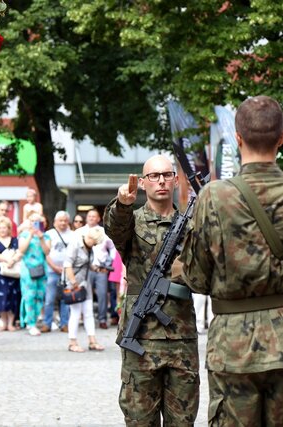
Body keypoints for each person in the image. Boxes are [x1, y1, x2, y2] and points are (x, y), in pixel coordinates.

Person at [180, 95, 283, 426]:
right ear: (282, 137)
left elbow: (196, 278)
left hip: (232, 345)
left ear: (238, 138)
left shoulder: (213, 196)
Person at [104, 154, 199, 425]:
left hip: (181, 338)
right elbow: (114, 227)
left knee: (182, 420)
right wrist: (122, 203)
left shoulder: (191, 224)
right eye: (154, 176)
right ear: (143, 183)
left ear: (175, 181)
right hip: (141, 339)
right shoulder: (131, 221)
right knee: (139, 420)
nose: (161, 181)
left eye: (167, 175)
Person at [64, 226, 106, 352]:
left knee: (88, 312)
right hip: (74, 283)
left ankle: (92, 341)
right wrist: (73, 282)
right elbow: (67, 265)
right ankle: (72, 342)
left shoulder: (90, 248)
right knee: (75, 314)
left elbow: (86, 264)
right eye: (89, 237)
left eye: (93, 240)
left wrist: (98, 269)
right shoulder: (75, 244)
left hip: (85, 283)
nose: (90, 240)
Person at [81, 209, 117, 329]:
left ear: (98, 218)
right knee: (85, 295)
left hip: (101, 269)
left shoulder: (104, 232)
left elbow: (112, 248)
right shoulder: (80, 232)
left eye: (94, 216)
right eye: (89, 216)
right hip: (86, 269)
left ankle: (102, 319)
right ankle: (87, 319)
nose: (91, 218)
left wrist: (109, 262)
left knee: (102, 294)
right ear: (86, 218)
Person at [40, 211, 73, 333]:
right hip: (52, 270)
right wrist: (54, 266)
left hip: (67, 271)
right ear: (55, 222)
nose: (63, 222)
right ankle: (47, 323)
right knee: (49, 298)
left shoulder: (73, 235)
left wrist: (66, 268)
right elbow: (46, 253)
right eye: (60, 220)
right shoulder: (49, 234)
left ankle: (64, 324)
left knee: (66, 298)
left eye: (65, 220)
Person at [18, 213, 50, 336]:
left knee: (39, 296)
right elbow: (22, 250)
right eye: (32, 221)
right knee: (29, 296)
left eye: (38, 221)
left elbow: (47, 252)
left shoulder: (46, 236)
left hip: (41, 269)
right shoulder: (24, 235)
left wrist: (41, 237)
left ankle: (34, 321)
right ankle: (30, 323)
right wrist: (30, 235)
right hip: (27, 270)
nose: (35, 223)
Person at [0, 216, 22, 332]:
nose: (3, 230)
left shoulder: (14, 240)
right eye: (0, 228)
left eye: (5, 228)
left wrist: (12, 261)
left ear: (9, 229)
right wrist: (7, 260)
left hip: (13, 272)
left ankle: (11, 322)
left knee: (12, 296)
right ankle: (3, 321)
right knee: (1, 297)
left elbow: (19, 253)